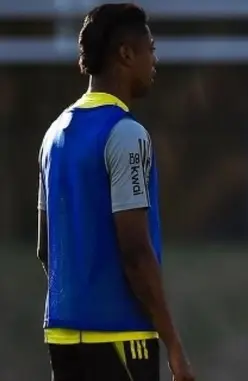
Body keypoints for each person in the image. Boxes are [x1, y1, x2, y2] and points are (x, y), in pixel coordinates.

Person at [36, 4, 195, 381]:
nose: (154, 61)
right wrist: (173, 344)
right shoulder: (126, 133)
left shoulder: (53, 135)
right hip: (120, 334)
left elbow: (46, 248)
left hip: (61, 333)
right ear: (127, 53)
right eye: (150, 49)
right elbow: (136, 251)